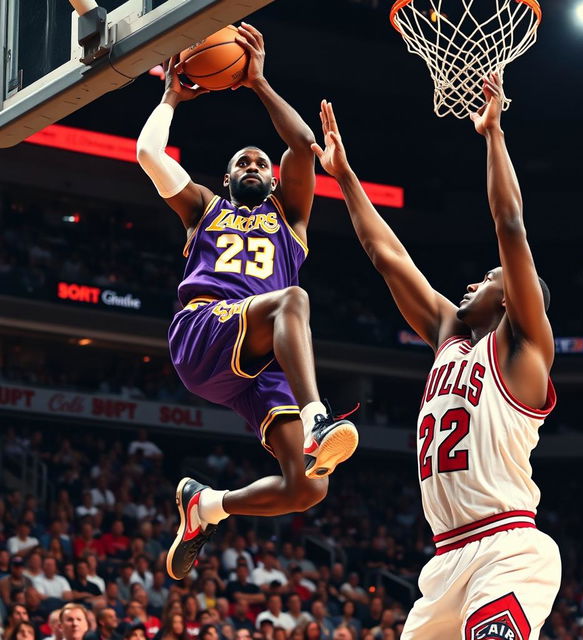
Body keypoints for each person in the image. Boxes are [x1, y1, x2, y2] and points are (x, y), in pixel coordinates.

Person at [312, 75, 561, 639]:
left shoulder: (523, 349)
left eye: (489, 278)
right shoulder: (450, 335)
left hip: (508, 550)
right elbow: (387, 256)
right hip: (444, 562)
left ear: (515, 297)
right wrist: (346, 177)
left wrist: (493, 134)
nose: (474, 283)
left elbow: (510, 224)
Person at [136, 22, 359, 582]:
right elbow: (146, 152)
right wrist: (169, 99)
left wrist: (257, 83)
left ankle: (206, 506)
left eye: (262, 162)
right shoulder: (203, 208)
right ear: (229, 175)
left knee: (308, 486)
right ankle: (317, 420)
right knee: (292, 301)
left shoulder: (292, 216)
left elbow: (302, 147)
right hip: (205, 331)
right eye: (245, 162)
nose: (255, 167)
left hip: (258, 363)